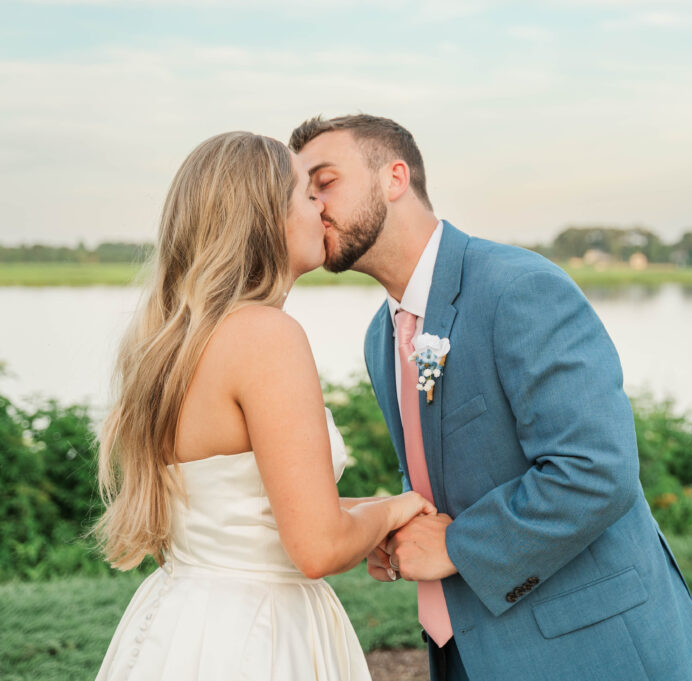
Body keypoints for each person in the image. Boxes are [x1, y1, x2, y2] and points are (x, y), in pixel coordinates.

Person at [291, 115, 692, 681]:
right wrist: (398, 526)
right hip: (470, 649)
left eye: (325, 181)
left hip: (590, 648)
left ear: (394, 177)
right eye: (303, 191)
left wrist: (456, 547)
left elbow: (595, 469)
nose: (312, 204)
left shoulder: (519, 289)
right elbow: (446, 468)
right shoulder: (381, 336)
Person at [93, 131, 435, 680]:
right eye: (307, 194)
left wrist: (370, 516)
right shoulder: (265, 336)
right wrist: (399, 508)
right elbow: (318, 546)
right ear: (267, 217)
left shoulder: (175, 342)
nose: (321, 207)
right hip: (255, 633)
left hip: (181, 623)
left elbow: (256, 512)